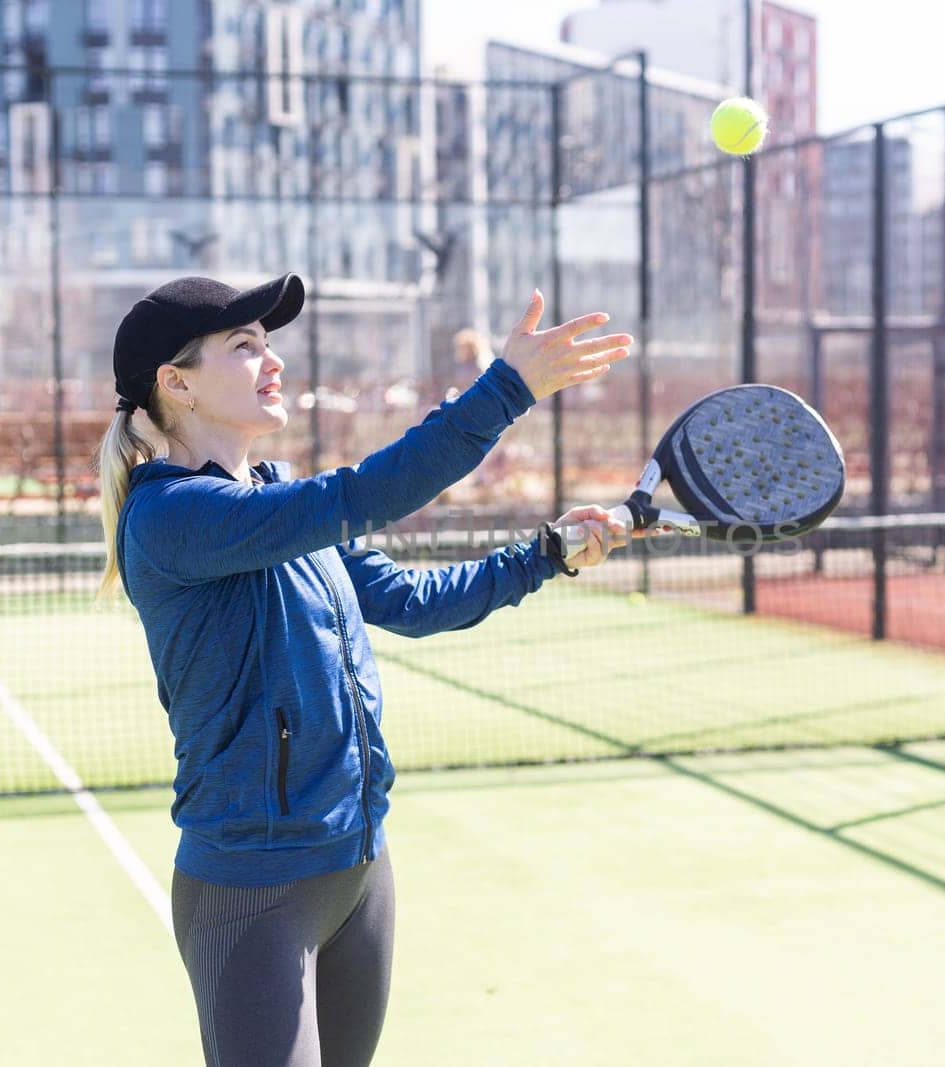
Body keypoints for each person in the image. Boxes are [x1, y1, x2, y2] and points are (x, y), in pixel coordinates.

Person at [96, 274, 631, 1067]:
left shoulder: (272, 496)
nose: (271, 361)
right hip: (252, 892)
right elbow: (368, 493)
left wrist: (545, 553)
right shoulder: (172, 516)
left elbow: (413, 601)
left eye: (268, 343)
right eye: (244, 346)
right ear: (176, 383)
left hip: (359, 870)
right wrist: (508, 388)